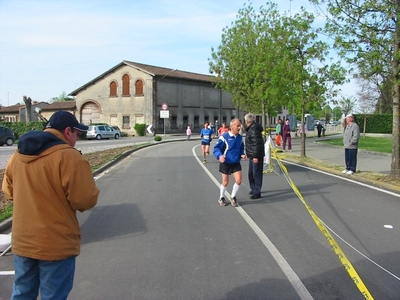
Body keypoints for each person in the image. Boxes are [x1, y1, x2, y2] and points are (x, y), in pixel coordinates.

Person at [2, 110, 100, 299]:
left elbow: (8, 191)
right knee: (53, 295)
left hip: (23, 241)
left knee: (22, 292)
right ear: (67, 131)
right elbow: (85, 200)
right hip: (55, 244)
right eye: (77, 134)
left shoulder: (18, 154)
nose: (76, 139)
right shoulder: (69, 157)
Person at [213, 118, 246, 207]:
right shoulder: (224, 137)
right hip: (226, 162)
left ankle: (233, 196)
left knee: (239, 180)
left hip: (235, 162)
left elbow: (241, 149)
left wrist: (242, 154)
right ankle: (221, 197)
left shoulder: (239, 138)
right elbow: (216, 148)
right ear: (232, 127)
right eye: (238, 126)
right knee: (225, 182)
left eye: (240, 125)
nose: (240, 127)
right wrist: (220, 156)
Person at [244, 113, 265, 199]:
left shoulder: (254, 130)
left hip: (256, 155)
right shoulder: (251, 129)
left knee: (256, 173)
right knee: (251, 173)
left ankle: (257, 192)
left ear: (247, 121)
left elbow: (257, 144)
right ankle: (254, 188)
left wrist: (256, 156)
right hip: (252, 155)